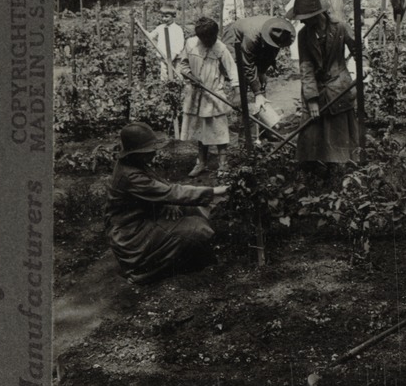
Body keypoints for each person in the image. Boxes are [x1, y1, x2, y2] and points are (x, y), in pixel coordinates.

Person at [105, 122, 230, 285]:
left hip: (141, 220)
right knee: (197, 229)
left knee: (193, 211)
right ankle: (143, 272)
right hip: (131, 235)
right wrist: (216, 191)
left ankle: (196, 255)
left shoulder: (134, 164)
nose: (153, 152)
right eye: (149, 150)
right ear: (136, 152)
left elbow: (162, 189)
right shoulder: (131, 176)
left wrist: (168, 203)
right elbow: (171, 192)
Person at [290, 0, 362, 171]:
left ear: (317, 14)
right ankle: (316, 172)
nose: (303, 21)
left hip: (339, 85)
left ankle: (343, 170)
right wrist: (312, 99)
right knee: (311, 132)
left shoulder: (340, 27)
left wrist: (364, 64)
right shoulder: (304, 35)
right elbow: (306, 67)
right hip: (316, 86)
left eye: (305, 17)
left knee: (340, 131)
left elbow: (358, 51)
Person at [175, 17, 239, 178]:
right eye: (206, 39)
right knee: (200, 131)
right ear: (200, 37)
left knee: (219, 130)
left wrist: (237, 92)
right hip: (196, 94)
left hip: (214, 94)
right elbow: (182, 66)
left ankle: (223, 165)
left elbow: (233, 71)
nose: (210, 41)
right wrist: (190, 76)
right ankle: (201, 163)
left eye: (212, 37)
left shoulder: (221, 49)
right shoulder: (190, 44)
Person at [221, 15, 295, 132]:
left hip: (256, 37)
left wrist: (262, 72)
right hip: (235, 39)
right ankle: (242, 123)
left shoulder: (280, 31)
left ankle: (264, 123)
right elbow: (247, 65)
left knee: (260, 83)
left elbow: (271, 53)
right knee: (242, 79)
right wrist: (257, 92)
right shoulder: (252, 37)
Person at [147, 3, 186, 82]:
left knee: (176, 75)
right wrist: (144, 31)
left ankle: (176, 89)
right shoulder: (160, 27)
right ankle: (165, 89)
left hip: (175, 57)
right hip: (163, 56)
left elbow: (180, 44)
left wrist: (173, 55)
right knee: (164, 76)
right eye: (162, 16)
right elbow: (151, 36)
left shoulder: (177, 29)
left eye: (166, 16)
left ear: (173, 16)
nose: (164, 19)